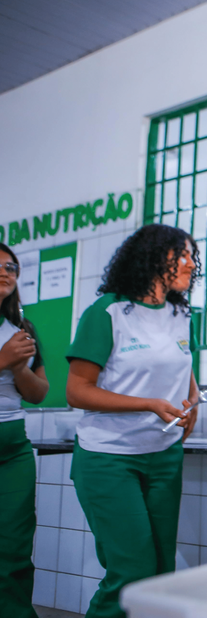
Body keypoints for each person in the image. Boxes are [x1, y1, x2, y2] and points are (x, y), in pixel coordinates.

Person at [66, 225, 201, 618]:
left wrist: (193, 400)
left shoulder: (181, 315)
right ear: (153, 258)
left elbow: (184, 366)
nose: (191, 263)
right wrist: (149, 404)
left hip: (163, 457)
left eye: (192, 255)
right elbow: (77, 391)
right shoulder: (108, 311)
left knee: (161, 574)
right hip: (109, 458)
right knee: (131, 571)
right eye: (182, 254)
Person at [0, 243, 48, 618]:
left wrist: (18, 369)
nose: (5, 271)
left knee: (15, 548)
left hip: (13, 449)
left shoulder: (22, 329)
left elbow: (38, 393)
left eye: (11, 266)